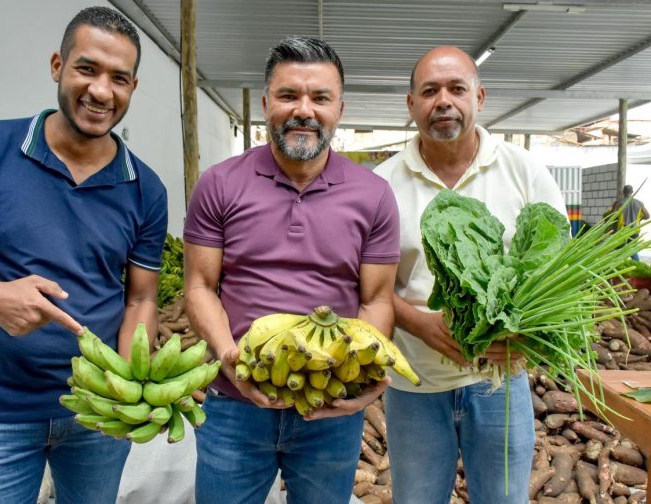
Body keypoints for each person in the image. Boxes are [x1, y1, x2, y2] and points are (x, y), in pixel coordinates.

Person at [0, 7, 167, 503]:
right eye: (87, 68)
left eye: (119, 78)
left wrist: (125, 390)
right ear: (57, 65)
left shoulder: (146, 189)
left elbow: (140, 300)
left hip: (95, 416)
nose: (101, 91)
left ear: (133, 89)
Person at [183, 36, 400, 503]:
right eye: (288, 96)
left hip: (329, 408)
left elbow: (377, 299)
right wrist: (228, 356)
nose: (304, 110)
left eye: (320, 97)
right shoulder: (219, 184)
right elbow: (200, 286)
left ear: (340, 108)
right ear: (266, 104)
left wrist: (363, 374)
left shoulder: (373, 194)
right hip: (235, 405)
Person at [374, 46, 567, 504]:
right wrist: (418, 322)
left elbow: (561, 271)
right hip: (413, 386)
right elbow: (367, 285)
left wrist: (525, 334)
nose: (443, 101)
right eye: (429, 91)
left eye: (456, 88)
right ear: (411, 104)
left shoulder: (523, 171)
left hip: (500, 383)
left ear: (479, 97)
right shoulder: (380, 184)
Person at [614, 184, 649, 260]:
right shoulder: (640, 203)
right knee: (632, 250)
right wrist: (639, 219)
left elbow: (612, 216)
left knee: (619, 250)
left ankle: (617, 267)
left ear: (623, 192)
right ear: (632, 192)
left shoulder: (618, 202)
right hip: (635, 229)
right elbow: (647, 216)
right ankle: (637, 266)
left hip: (622, 230)